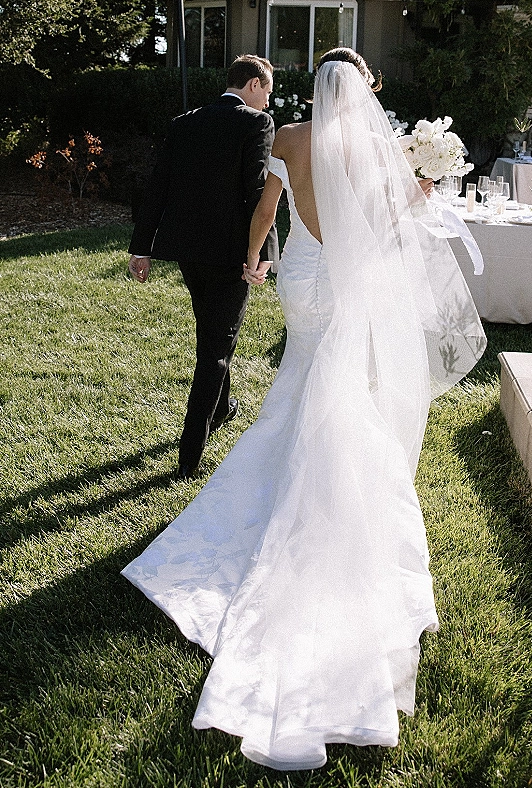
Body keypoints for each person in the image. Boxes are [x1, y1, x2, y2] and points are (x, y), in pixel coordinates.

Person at [122, 49, 486, 770]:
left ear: (313, 87)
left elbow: (265, 209)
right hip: (345, 281)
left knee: (297, 378)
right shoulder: (374, 148)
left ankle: (281, 472)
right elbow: (383, 229)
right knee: (335, 387)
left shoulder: (286, 136)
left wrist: (257, 261)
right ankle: (331, 473)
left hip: (303, 278)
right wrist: (417, 189)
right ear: (362, 90)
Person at [128, 54, 278, 479]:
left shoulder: (184, 122)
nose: (268, 101)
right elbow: (256, 192)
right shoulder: (256, 124)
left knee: (212, 331)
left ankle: (223, 409)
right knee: (214, 349)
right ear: (252, 85)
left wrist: (142, 248)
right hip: (231, 255)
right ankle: (190, 453)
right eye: (266, 91)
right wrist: (261, 254)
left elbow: (157, 187)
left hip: (188, 252)